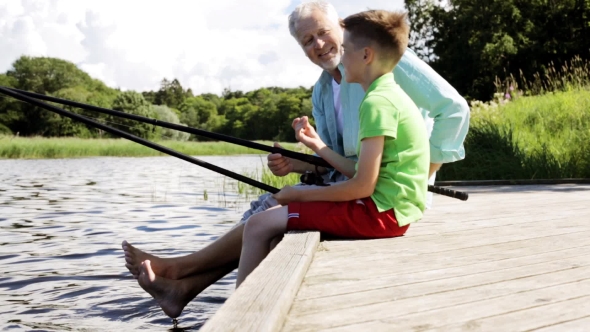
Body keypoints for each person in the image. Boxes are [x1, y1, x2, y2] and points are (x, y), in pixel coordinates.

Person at [122, 0, 469, 318]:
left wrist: (424, 173)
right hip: (359, 188)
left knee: (269, 216)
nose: (319, 45)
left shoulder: (380, 60)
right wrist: (300, 163)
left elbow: (453, 109)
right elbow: (342, 162)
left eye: (324, 33)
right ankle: (184, 288)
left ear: (344, 31)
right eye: (307, 41)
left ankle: (189, 279)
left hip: (385, 200)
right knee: (268, 216)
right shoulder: (322, 89)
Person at [236, 8, 428, 287]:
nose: (340, 58)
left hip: (378, 214)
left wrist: (300, 196)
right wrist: (319, 146)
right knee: (272, 224)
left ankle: (240, 320)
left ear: (366, 56)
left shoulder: (376, 104)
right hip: (389, 211)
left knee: (258, 225)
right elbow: (360, 170)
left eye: (346, 49)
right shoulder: (386, 94)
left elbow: (363, 186)